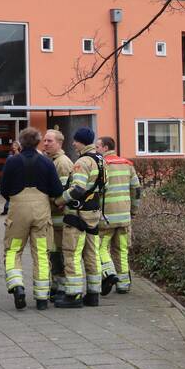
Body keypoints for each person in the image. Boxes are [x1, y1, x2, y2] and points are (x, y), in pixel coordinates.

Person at [0, 127, 63, 310]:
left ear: (21, 142)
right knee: (41, 253)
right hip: (41, 212)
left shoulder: (12, 162)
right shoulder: (47, 163)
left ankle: (17, 286)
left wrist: (15, 200)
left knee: (13, 250)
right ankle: (42, 298)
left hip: (18, 211)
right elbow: (57, 191)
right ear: (37, 142)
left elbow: (4, 189)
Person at [55, 127, 106, 308]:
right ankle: (93, 295)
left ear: (81, 141)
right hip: (93, 213)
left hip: (78, 215)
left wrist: (60, 200)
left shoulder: (82, 162)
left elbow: (77, 189)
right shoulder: (100, 159)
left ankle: (73, 295)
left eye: (75, 141)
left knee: (72, 254)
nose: (73, 143)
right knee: (92, 254)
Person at [95, 136, 141, 295]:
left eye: (98, 147)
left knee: (101, 247)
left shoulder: (101, 165)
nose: (96, 150)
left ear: (106, 148)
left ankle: (109, 273)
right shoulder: (128, 165)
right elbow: (136, 190)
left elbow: (96, 191)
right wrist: (133, 211)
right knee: (121, 250)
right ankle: (123, 284)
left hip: (106, 219)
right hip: (124, 218)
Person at [41, 129, 74, 298]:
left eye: (49, 141)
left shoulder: (62, 163)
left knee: (59, 253)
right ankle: (55, 284)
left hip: (59, 218)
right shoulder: (50, 160)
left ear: (59, 143)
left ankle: (61, 287)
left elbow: (60, 193)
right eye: (45, 140)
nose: (45, 143)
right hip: (52, 218)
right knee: (53, 253)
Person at [1, 139, 21, 215]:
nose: (14, 147)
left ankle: (7, 208)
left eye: (16, 145)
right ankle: (6, 208)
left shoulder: (21, 155)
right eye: (13, 145)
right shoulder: (10, 156)